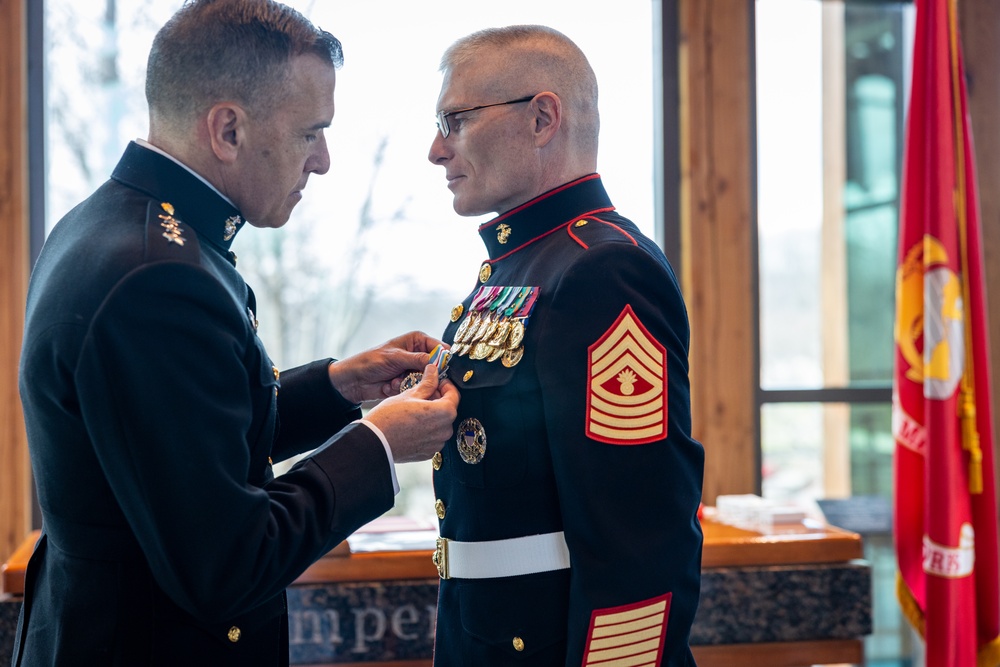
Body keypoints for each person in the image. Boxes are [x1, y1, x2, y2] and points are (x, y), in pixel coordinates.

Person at [13, 2, 459, 665]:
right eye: (312, 132)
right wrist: (380, 444)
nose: (325, 160)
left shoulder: (114, 226)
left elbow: (182, 446)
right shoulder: (154, 277)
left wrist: (339, 389)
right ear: (228, 129)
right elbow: (228, 562)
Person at [426, 25, 704, 666]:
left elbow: (637, 536)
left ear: (542, 118)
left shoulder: (601, 270)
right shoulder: (522, 265)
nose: (436, 149)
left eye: (456, 120)